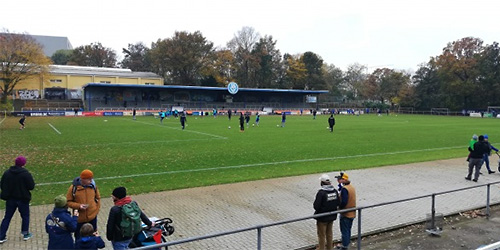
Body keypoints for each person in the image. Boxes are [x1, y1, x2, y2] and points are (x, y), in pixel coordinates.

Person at [0, 156, 35, 243]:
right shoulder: (25, 174)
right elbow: (31, 186)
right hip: (23, 199)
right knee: (25, 216)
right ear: (23, 164)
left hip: (11, 199)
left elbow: (2, 184)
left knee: (7, 217)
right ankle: (25, 233)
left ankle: (1, 236)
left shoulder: (7, 173)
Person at [66, 169, 101, 239]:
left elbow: (98, 198)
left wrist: (96, 211)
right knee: (79, 239)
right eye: (89, 179)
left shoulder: (93, 186)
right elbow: (68, 202)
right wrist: (79, 206)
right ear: (83, 179)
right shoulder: (73, 188)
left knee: (93, 239)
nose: (91, 181)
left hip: (92, 218)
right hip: (79, 220)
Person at [313, 174, 340, 250]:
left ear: (322, 182)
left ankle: (321, 248)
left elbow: (316, 206)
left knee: (321, 236)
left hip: (322, 218)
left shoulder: (321, 193)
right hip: (332, 217)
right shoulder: (334, 191)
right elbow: (338, 203)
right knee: (329, 234)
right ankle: (330, 248)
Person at [336, 172, 356, 250]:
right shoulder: (351, 187)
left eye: (340, 179)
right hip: (352, 212)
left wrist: (339, 207)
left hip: (346, 213)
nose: (338, 181)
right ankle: (346, 244)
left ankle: (345, 247)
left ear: (343, 180)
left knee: (344, 231)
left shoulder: (345, 189)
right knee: (348, 230)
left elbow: (344, 202)